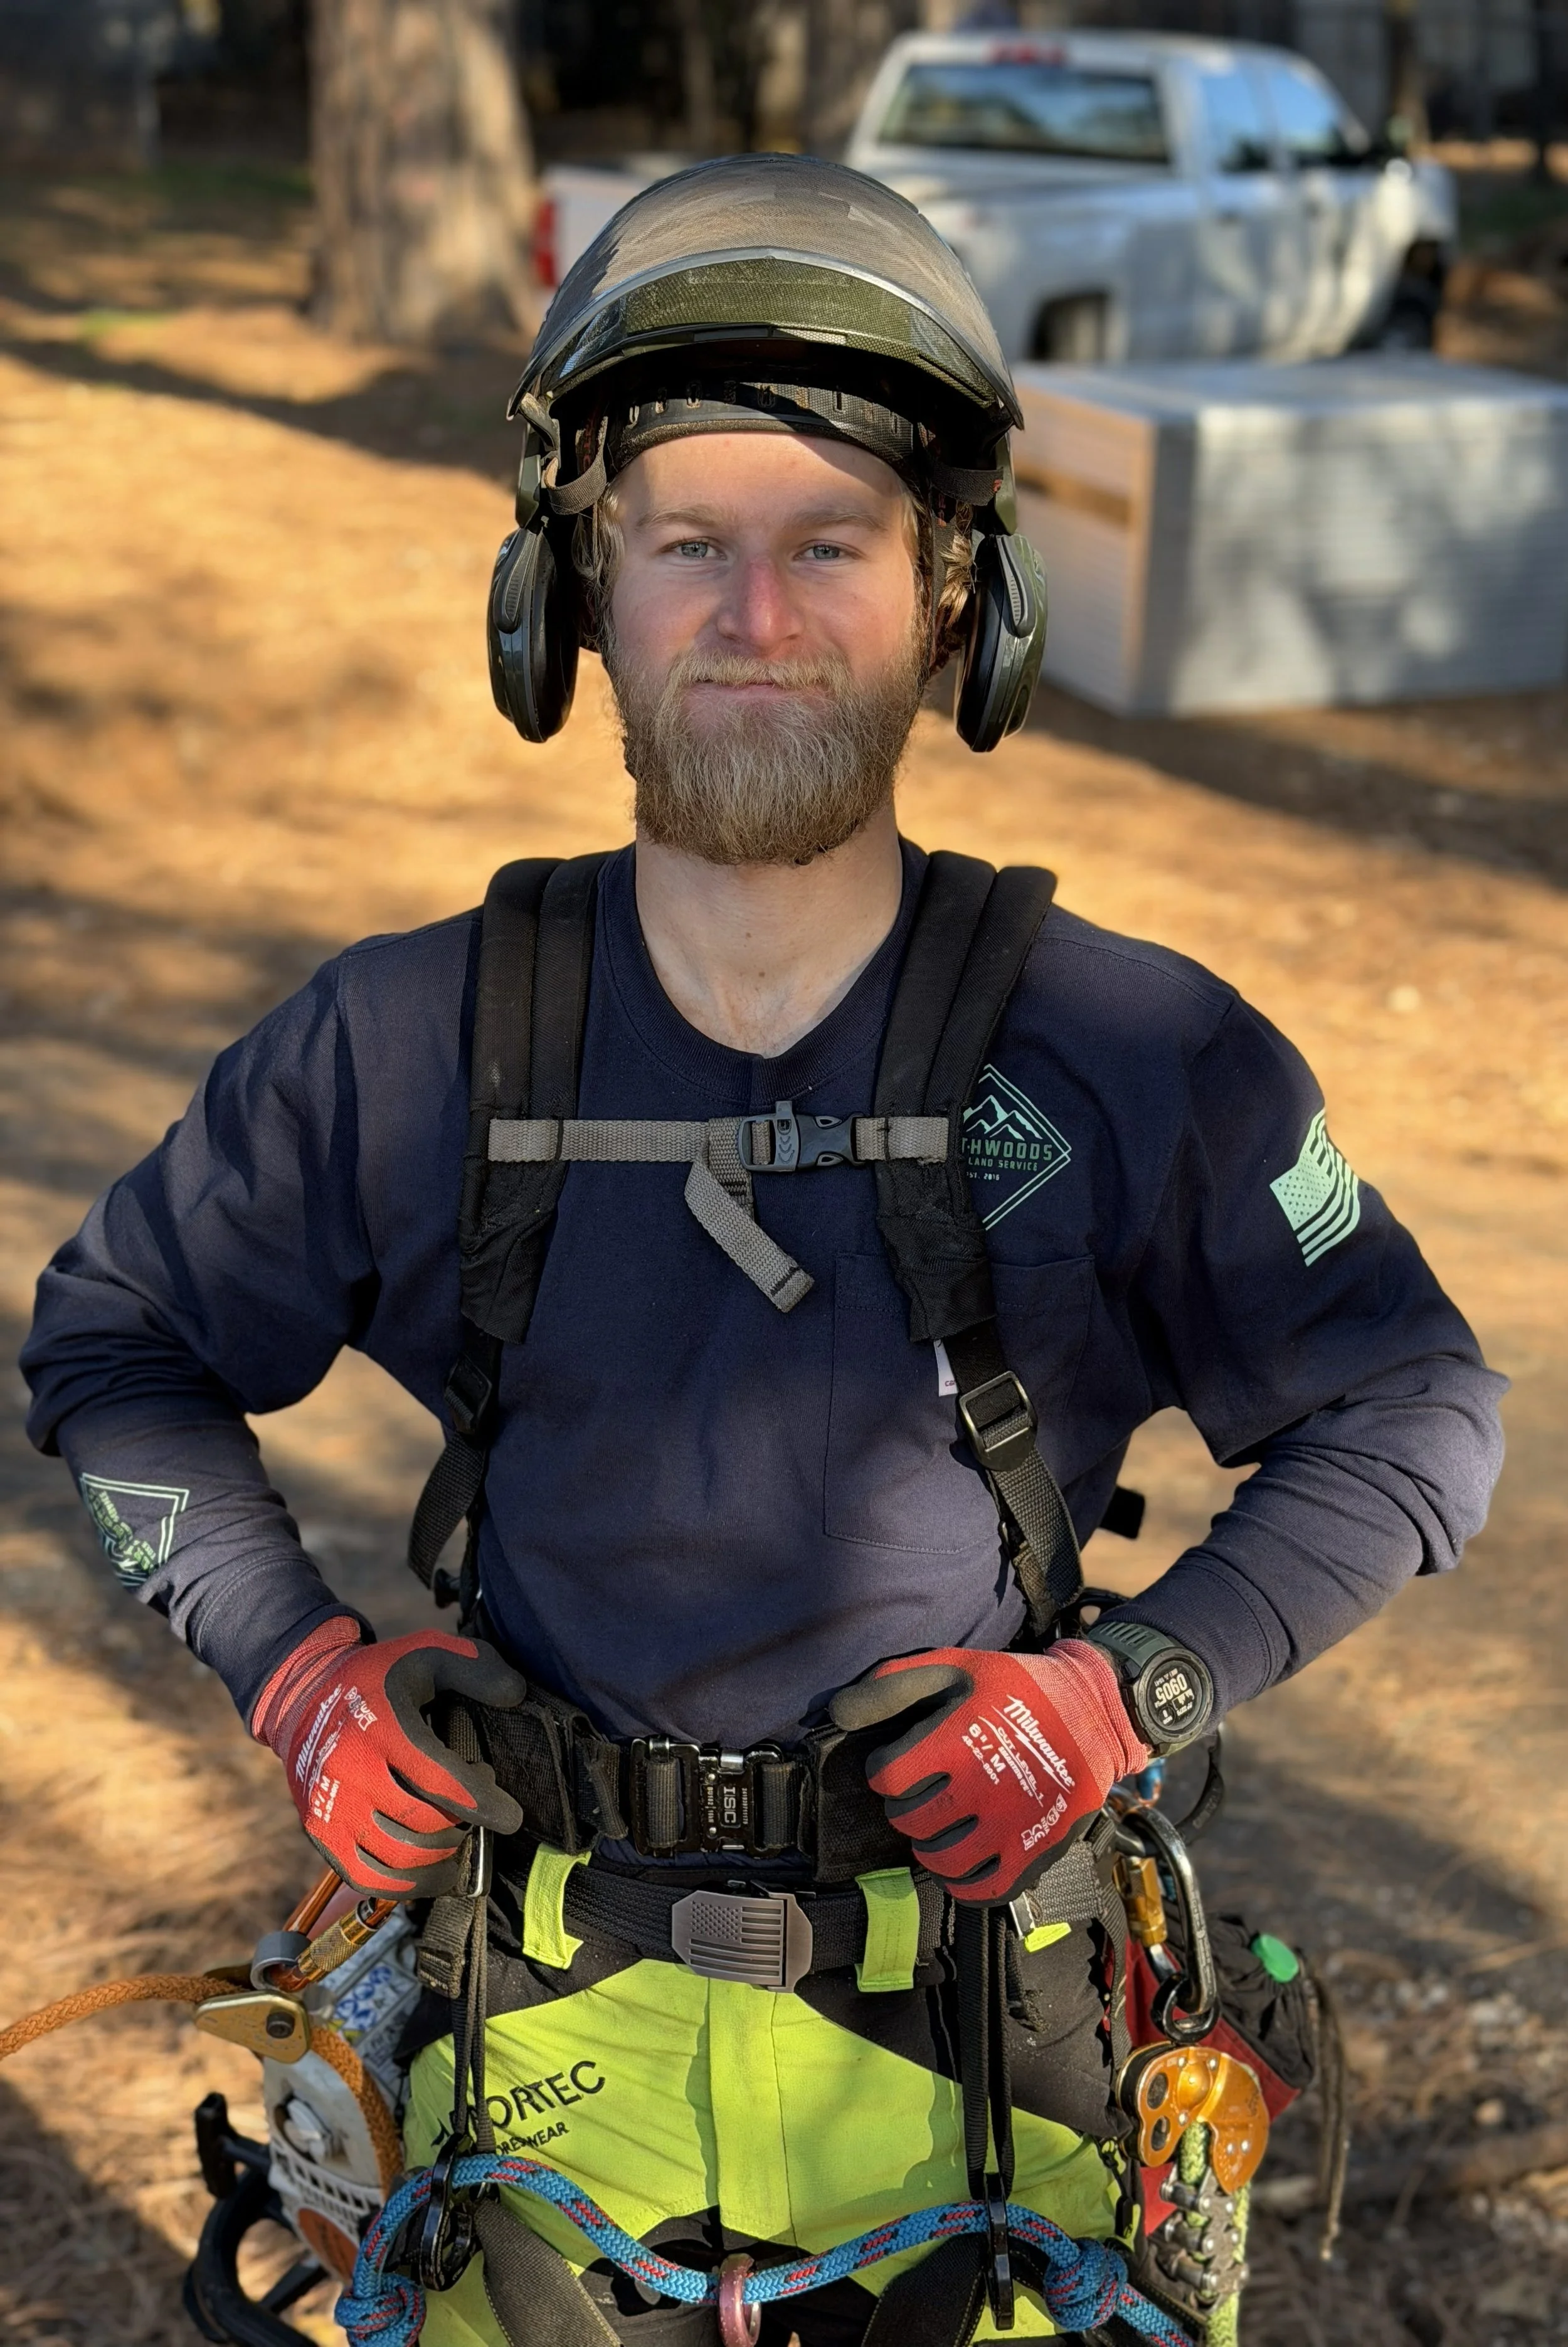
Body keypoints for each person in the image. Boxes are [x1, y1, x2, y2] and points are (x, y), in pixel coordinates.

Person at [22, 156, 1503, 2346]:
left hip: (989, 2081)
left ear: (951, 605)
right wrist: (293, 1667)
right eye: (682, 542)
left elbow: (1415, 1408)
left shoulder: (1134, 1050)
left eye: (832, 543)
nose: (756, 611)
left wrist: (1119, 1697)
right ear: (567, 600)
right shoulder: (405, 1040)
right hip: (520, 2057)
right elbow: (113, 1341)